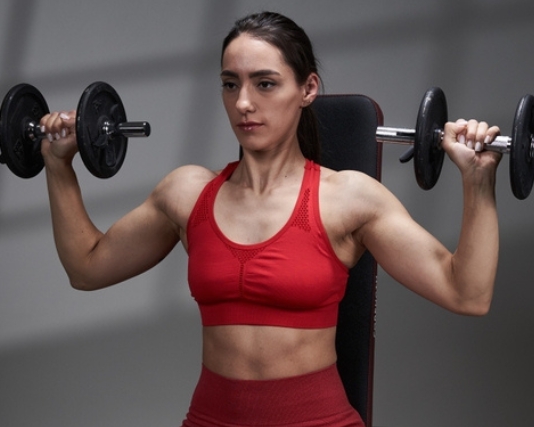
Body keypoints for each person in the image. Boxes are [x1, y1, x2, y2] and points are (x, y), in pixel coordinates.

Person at [39, 11, 501, 427]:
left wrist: (477, 182)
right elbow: (87, 267)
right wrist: (59, 167)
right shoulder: (187, 194)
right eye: (230, 83)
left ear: (307, 89)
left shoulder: (346, 198)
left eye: (264, 83)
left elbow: (467, 293)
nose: (243, 103)